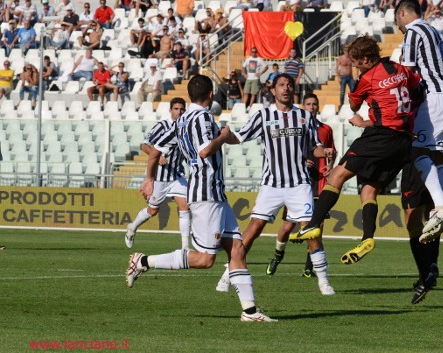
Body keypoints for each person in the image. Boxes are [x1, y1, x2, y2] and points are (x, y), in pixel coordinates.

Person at [130, 75, 276, 322]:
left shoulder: (180, 120)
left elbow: (155, 150)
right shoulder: (204, 118)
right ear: (210, 95)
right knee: (206, 259)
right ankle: (143, 261)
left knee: (237, 250)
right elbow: (205, 150)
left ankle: (249, 311)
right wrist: (223, 136)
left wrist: (149, 178)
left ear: (189, 96)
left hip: (215, 193)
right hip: (206, 193)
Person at [290, 36, 421, 265]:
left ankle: (312, 225)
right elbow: (415, 86)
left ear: (367, 59)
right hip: (403, 142)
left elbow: (352, 105)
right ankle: (367, 238)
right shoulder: (400, 69)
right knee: (369, 189)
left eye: (356, 61)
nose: (354, 66)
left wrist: (361, 115)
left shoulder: (368, 77)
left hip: (381, 136)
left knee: (336, 176)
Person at [215, 77, 335, 296]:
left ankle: (324, 281)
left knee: (310, 231)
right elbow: (239, 137)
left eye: (289, 85)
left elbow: (315, 148)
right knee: (254, 228)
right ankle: (227, 274)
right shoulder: (264, 115)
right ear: (274, 90)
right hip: (272, 184)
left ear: (293, 89)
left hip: (299, 184)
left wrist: (324, 152)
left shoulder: (304, 116)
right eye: (281, 85)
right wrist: (224, 137)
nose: (286, 89)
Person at [395, 0, 443, 243]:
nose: (399, 27)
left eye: (397, 21)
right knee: (437, 155)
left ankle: (441, 205)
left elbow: (407, 73)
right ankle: (439, 210)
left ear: (403, 13)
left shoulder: (413, 31)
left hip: (435, 97)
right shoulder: (436, 32)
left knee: (416, 151)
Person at [264, 93, 337, 278]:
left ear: (318, 107)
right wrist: (303, 161)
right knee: (288, 226)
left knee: (317, 226)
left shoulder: (326, 129)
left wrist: (330, 164)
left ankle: (309, 266)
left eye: (315, 104)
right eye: (309, 104)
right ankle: (277, 256)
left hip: (319, 183)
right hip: (298, 181)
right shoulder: (294, 124)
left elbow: (331, 150)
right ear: (303, 106)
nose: (312, 107)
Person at [125, 98, 191, 250]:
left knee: (185, 205)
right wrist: (158, 156)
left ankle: (185, 247)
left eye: (182, 109)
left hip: (176, 175)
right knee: (153, 211)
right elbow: (145, 146)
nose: (179, 112)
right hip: (160, 177)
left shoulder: (185, 127)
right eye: (176, 109)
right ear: (170, 110)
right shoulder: (162, 126)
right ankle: (132, 227)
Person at [401, 162, 442, 304]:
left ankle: (425, 276)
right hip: (439, 165)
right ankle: (432, 263)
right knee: (433, 215)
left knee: (412, 223)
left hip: (416, 165)